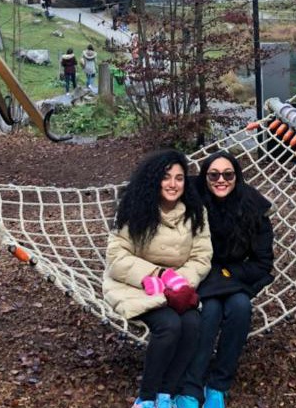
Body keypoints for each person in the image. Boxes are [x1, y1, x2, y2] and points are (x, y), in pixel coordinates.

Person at [104, 149, 213, 408]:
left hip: (177, 288)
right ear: (154, 180)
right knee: (169, 327)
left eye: (179, 178)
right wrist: (157, 275)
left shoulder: (196, 213)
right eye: (166, 177)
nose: (173, 184)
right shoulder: (135, 210)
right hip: (134, 285)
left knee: (192, 324)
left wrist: (178, 281)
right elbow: (116, 256)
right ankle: (147, 397)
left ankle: (167, 394)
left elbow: (201, 256)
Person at [175, 151, 274, 408]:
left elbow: (263, 263)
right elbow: (162, 186)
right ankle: (190, 388)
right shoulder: (193, 200)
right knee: (209, 311)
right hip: (201, 272)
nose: (221, 180)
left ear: (237, 177)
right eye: (214, 175)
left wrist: (230, 274)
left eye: (228, 174)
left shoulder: (252, 208)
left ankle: (218, 385)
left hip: (236, 276)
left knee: (241, 308)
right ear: (205, 177)